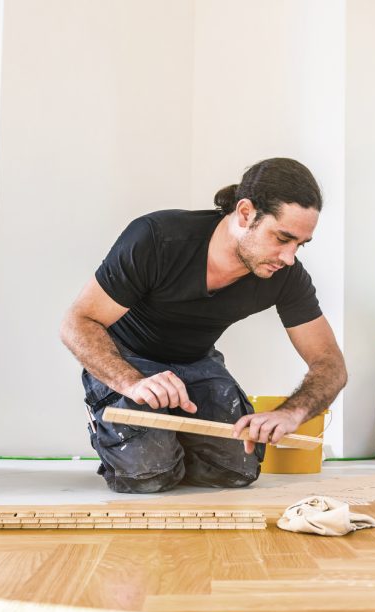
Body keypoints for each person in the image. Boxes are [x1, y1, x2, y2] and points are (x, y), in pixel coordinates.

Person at [60, 158, 347, 493]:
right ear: (245, 214)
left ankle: (170, 445)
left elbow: (331, 365)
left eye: (299, 244)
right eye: (282, 238)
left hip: (197, 361)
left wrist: (291, 413)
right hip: (128, 359)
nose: (288, 257)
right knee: (148, 476)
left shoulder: (286, 276)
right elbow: (77, 322)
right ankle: (131, 440)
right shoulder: (158, 238)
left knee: (237, 470)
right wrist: (132, 383)